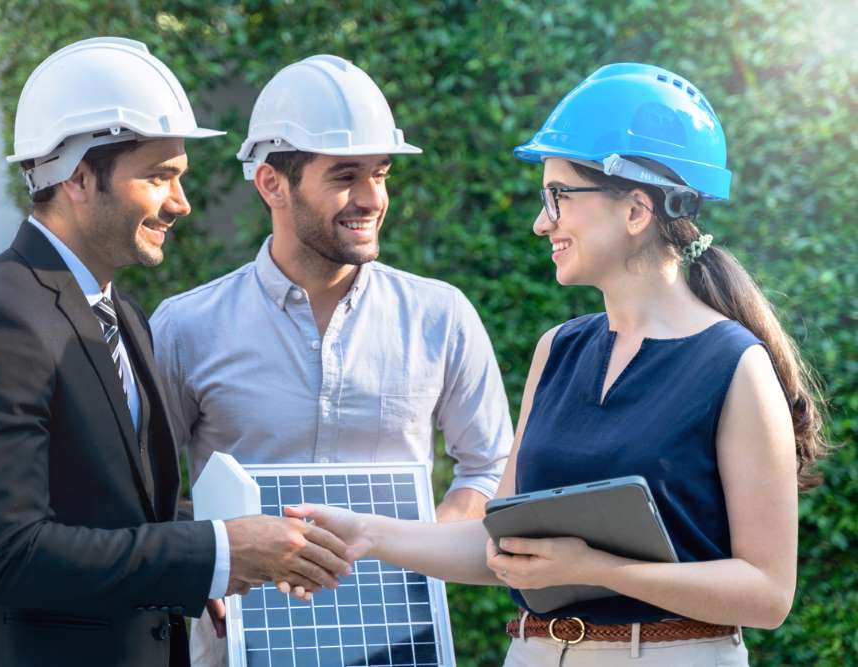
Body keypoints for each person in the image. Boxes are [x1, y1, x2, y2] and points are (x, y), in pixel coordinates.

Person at [287, 63, 829, 666]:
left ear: (637, 210)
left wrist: (599, 570)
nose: (541, 221)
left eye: (559, 196)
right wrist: (367, 535)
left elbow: (768, 593)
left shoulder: (735, 365)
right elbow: (504, 547)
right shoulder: (559, 349)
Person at [0, 37, 351, 667]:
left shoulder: (124, 317)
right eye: (160, 176)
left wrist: (200, 567)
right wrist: (217, 551)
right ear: (79, 177)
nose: (181, 203)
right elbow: (12, 556)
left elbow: (118, 506)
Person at [150, 54, 514, 664]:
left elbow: (490, 466)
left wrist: (413, 554)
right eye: (346, 175)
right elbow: (147, 494)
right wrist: (203, 562)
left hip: (399, 643)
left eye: (382, 174)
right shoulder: (187, 326)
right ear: (272, 182)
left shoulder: (439, 316)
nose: (371, 198)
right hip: (239, 647)